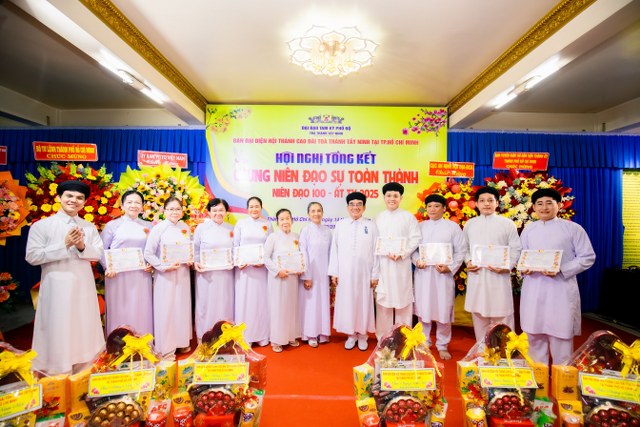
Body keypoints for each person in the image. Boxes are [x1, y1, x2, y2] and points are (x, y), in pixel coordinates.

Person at [26, 180, 105, 374]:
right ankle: (57, 369)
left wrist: (81, 246)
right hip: (56, 286)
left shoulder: (89, 227)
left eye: (79, 198)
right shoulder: (42, 226)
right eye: (69, 196)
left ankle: (85, 367)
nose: (74, 200)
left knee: (84, 322)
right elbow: (32, 256)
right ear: (59, 197)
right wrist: (65, 244)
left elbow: (98, 254)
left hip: (83, 285)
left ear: (84, 202)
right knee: (58, 325)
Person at [520, 188, 595, 365]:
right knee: (534, 334)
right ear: (533, 207)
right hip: (534, 287)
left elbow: (587, 257)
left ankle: (562, 375)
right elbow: (522, 255)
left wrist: (561, 269)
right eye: (539, 204)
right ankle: (538, 374)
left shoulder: (573, 229)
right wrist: (524, 268)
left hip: (561, 288)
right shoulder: (529, 230)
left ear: (559, 205)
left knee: (561, 335)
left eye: (549, 203)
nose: (544, 207)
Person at [463, 186, 522, 342]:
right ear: (476, 204)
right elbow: (464, 247)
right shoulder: (470, 224)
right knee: (479, 315)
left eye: (490, 200)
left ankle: (505, 350)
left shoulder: (507, 224)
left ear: (497, 203)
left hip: (499, 277)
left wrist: (507, 266)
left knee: (502, 316)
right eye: (482, 201)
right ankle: (482, 350)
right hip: (477, 274)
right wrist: (468, 261)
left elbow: (516, 248)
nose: (486, 204)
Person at [412, 194, 467, 360]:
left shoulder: (452, 227)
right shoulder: (419, 227)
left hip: (443, 275)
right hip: (423, 274)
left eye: (436, 206)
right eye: (429, 206)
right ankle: (424, 343)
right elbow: (413, 250)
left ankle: (442, 345)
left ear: (444, 208)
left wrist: (450, 267)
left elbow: (461, 250)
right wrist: (417, 260)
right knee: (423, 310)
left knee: (444, 310)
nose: (432, 209)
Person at [328, 191, 379, 351]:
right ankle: (351, 335)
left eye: (359, 204)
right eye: (352, 204)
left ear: (364, 207)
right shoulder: (340, 225)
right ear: (347, 207)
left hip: (365, 273)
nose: (355, 207)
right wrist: (334, 272)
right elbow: (334, 250)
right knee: (348, 302)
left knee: (363, 302)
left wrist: (375, 274)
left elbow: (376, 251)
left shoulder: (371, 226)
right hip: (345, 273)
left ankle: (363, 335)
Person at [144, 196, 193, 356]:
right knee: (166, 308)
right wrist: (163, 267)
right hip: (165, 276)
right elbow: (148, 253)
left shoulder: (185, 227)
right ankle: (166, 347)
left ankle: (182, 342)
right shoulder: (158, 228)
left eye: (178, 209)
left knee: (181, 307)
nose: (174, 212)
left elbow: (189, 250)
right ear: (164, 211)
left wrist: (190, 259)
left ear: (182, 211)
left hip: (183, 274)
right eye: (171, 209)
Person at [100, 190, 154, 336]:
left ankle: (143, 341)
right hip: (117, 275)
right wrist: (107, 267)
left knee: (141, 307)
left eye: (137, 202)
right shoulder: (112, 225)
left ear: (142, 206)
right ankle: (117, 343)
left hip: (141, 275)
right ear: (122, 205)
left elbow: (152, 249)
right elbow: (101, 249)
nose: (133, 205)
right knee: (119, 308)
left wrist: (151, 264)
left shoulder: (149, 226)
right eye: (129, 202)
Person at [374, 182, 421, 340]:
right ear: (384, 198)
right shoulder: (378, 217)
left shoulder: (408, 217)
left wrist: (402, 253)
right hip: (383, 265)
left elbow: (415, 238)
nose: (392, 199)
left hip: (401, 265)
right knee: (383, 303)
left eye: (395, 196)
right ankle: (383, 339)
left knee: (403, 302)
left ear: (401, 198)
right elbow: (375, 241)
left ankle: (404, 339)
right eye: (389, 196)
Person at [193, 198, 235, 342]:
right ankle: (203, 336)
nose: (218, 213)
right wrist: (196, 262)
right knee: (205, 304)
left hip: (226, 274)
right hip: (206, 274)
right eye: (214, 210)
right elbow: (195, 249)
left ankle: (225, 335)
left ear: (226, 212)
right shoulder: (201, 228)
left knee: (225, 302)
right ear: (209, 212)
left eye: (221, 210)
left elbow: (236, 250)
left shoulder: (231, 229)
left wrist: (235, 261)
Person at [233, 196, 273, 346]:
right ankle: (246, 337)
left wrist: (263, 262)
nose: (254, 209)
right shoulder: (241, 224)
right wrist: (238, 262)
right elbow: (235, 245)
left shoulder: (267, 224)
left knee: (261, 301)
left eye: (257, 206)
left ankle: (262, 335)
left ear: (261, 208)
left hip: (261, 270)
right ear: (247, 209)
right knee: (245, 301)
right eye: (251, 206)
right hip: (244, 271)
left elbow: (270, 247)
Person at [264, 208, 303, 352]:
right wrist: (277, 271)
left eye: (287, 218)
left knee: (291, 306)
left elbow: (300, 257)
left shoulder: (296, 237)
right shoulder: (272, 237)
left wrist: (300, 268)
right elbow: (265, 258)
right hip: (278, 279)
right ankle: (277, 339)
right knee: (278, 308)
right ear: (277, 222)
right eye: (282, 219)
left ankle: (291, 336)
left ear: (292, 220)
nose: (285, 221)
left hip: (292, 278)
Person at [298, 202, 332, 348]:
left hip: (323, 274)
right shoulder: (305, 231)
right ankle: (310, 334)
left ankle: (323, 333)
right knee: (311, 304)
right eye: (313, 211)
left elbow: (331, 253)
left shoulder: (328, 231)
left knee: (323, 302)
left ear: (322, 213)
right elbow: (303, 253)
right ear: (308, 214)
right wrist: (307, 276)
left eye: (319, 211)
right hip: (310, 274)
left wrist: (331, 273)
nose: (316, 213)